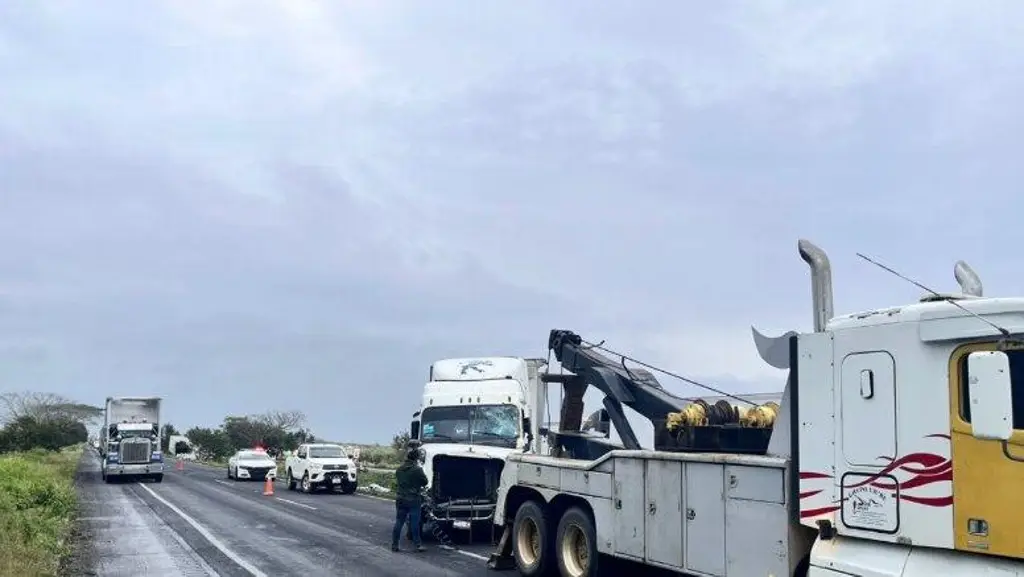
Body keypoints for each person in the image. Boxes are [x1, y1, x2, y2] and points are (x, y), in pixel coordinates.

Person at [392, 447, 428, 552]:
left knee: (399, 521)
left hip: (400, 498)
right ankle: (417, 544)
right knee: (415, 522)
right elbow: (425, 482)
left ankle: (395, 544)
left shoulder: (399, 469)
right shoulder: (417, 469)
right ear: (416, 458)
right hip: (413, 499)